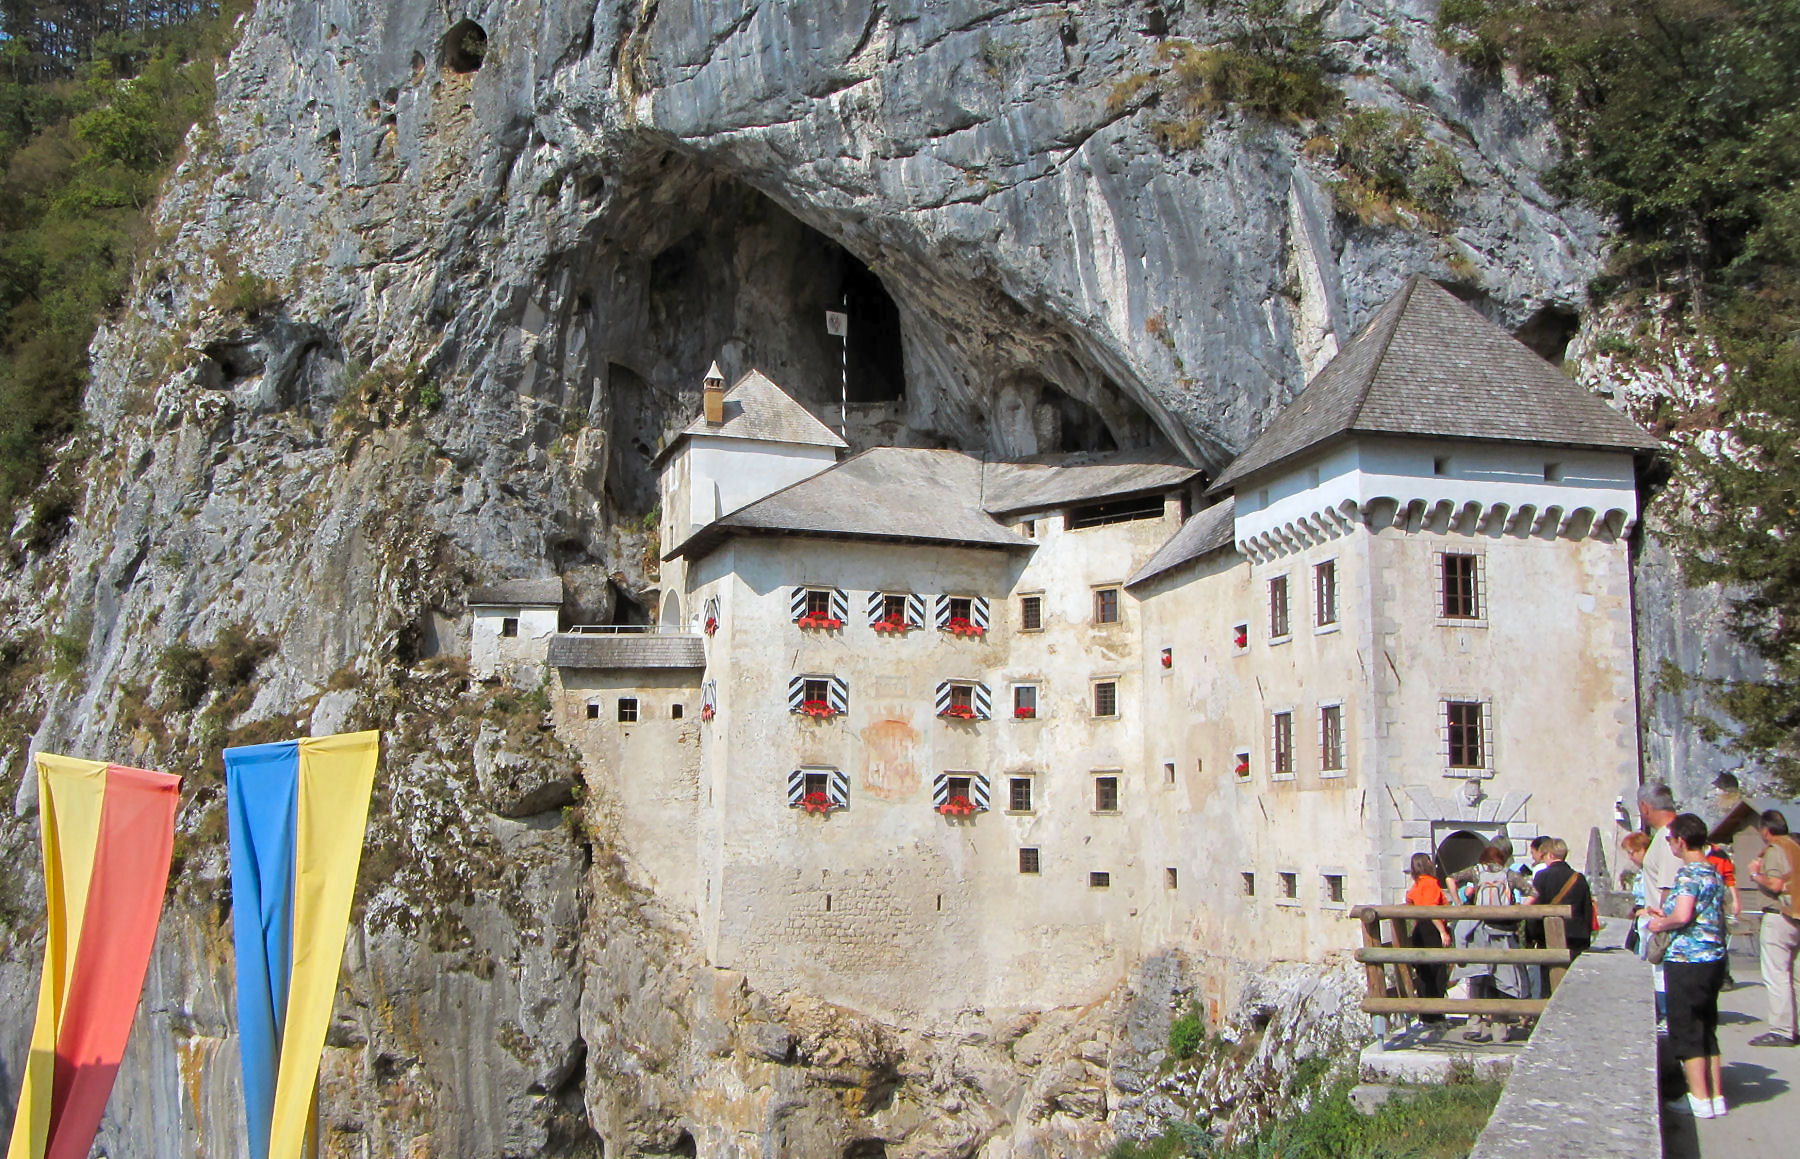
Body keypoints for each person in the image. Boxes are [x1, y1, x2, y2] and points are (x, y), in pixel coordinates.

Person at [1648, 813, 1730, 1118]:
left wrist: (1659, 923)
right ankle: (1715, 1095)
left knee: (1687, 1028)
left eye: (1670, 840)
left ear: (1681, 841)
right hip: (1714, 958)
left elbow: (1682, 916)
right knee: (1708, 1027)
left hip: (1688, 959)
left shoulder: (1687, 875)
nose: (1669, 844)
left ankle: (1698, 1099)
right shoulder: (1712, 872)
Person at [1451, 845, 1531, 1042]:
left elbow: (1450, 878)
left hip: (1478, 930)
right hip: (1503, 932)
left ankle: (1474, 1025)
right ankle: (1500, 1030)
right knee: (1503, 981)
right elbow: (1533, 892)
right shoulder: (1510, 875)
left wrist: (1459, 905)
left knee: (1477, 978)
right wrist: (1518, 910)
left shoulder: (1477, 871)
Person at [1746, 808, 1800, 1047]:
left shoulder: (1775, 850)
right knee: (1797, 976)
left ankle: (1782, 1030)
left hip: (1780, 916)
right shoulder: (1795, 846)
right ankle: (1795, 1028)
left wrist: (1756, 875)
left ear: (1765, 830)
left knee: (1776, 974)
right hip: (1797, 915)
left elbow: (1776, 884)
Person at [1639, 784, 1682, 1022]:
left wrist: (1660, 928)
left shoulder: (1668, 837)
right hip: (1667, 925)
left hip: (1666, 928)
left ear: (1645, 807)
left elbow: (1669, 887)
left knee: (1663, 982)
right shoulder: (1669, 835)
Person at [1530, 837, 1594, 996]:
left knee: (1548, 981)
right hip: (1576, 937)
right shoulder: (1579, 878)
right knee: (1572, 982)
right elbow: (1586, 910)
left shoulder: (1542, 877)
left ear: (1550, 855)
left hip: (1549, 935)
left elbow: (1536, 908)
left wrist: (1533, 935)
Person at [1405, 852, 1453, 1020]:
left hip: (1419, 929)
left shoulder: (1416, 886)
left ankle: (1426, 1015)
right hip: (1432, 930)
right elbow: (1431, 909)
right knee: (1437, 973)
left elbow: (1410, 902)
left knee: (1423, 973)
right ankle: (1436, 1014)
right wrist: (1442, 931)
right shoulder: (1431, 884)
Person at [1705, 840, 1742, 987]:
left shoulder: (1719, 854)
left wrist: (1736, 900)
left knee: (1719, 940)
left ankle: (1724, 977)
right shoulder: (1690, 853)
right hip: (1698, 903)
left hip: (1716, 904)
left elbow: (1729, 878)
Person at [1621, 830, 1652, 957]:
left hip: (1648, 918)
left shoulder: (1652, 872)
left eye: (1631, 853)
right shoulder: (1641, 871)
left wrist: (1646, 911)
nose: (1630, 857)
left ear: (1642, 850)